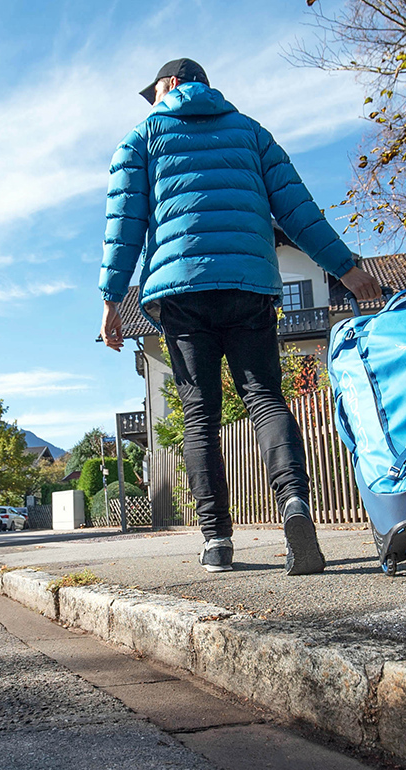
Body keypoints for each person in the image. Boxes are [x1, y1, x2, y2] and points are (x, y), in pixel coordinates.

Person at [99, 58, 383, 574]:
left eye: (155, 92)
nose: (153, 101)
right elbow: (298, 209)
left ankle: (216, 542)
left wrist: (112, 300)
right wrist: (346, 267)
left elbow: (126, 225)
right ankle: (295, 504)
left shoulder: (141, 137)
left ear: (172, 85)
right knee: (266, 399)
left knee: (200, 415)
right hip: (250, 286)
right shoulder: (252, 133)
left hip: (182, 294)